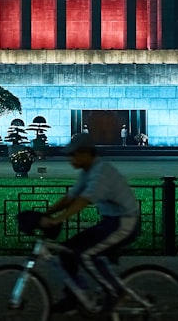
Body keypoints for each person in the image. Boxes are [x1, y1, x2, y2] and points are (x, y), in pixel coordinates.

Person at [41, 133, 140, 314]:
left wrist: (57, 220)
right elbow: (71, 198)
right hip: (110, 222)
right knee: (67, 251)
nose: (70, 158)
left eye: (74, 154)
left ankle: (117, 292)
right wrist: (44, 214)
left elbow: (83, 201)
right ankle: (75, 296)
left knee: (86, 255)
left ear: (87, 153)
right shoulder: (88, 171)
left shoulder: (102, 172)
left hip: (125, 223)